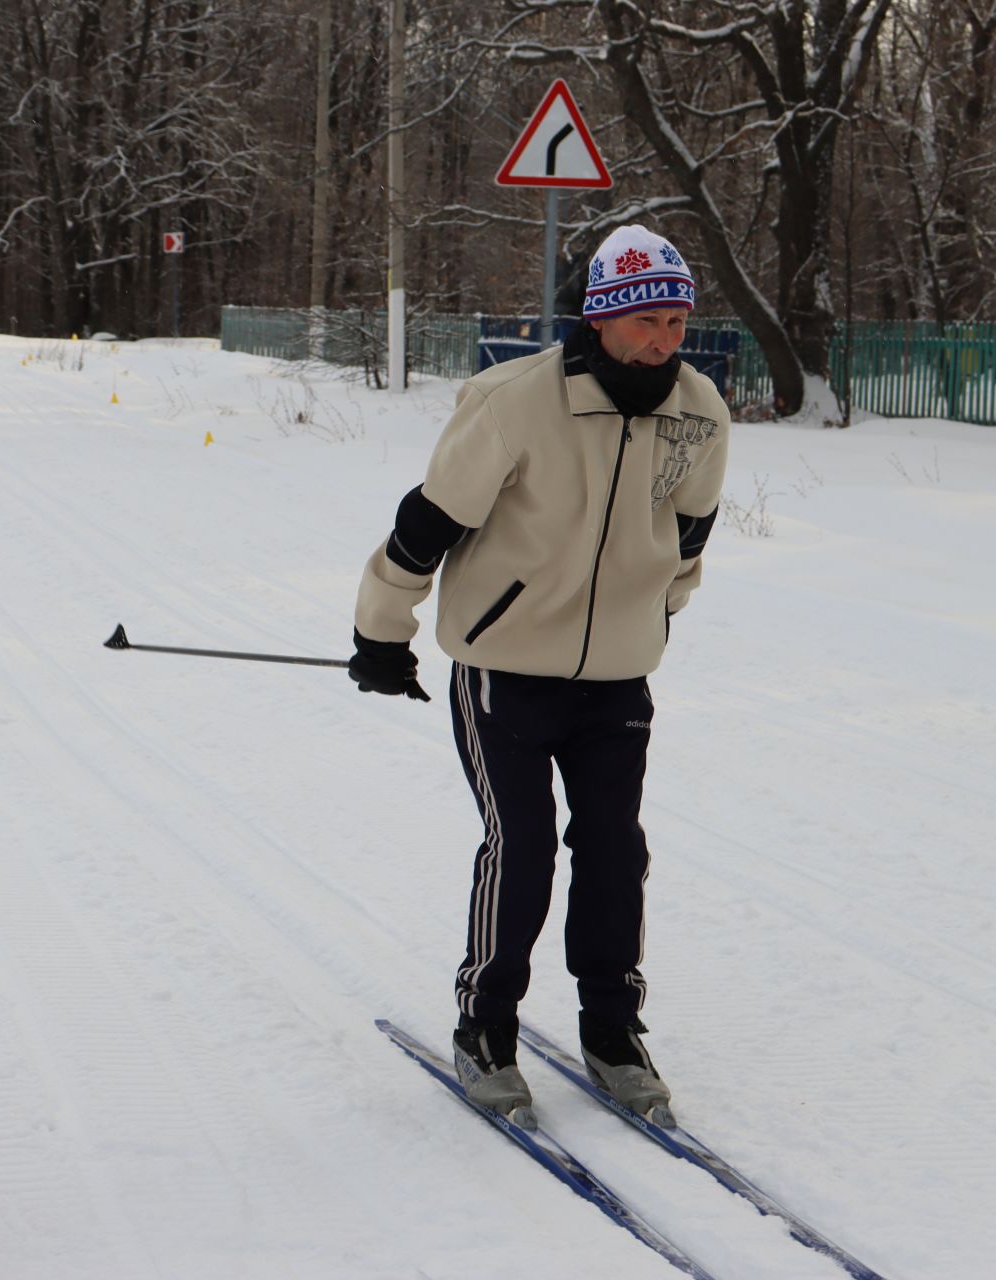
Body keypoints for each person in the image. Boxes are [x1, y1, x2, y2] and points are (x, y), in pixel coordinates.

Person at [348, 225, 729, 1126]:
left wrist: (652, 619)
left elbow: (690, 541)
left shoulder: (700, 411)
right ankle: (486, 1027)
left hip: (616, 681)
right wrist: (381, 631)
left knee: (613, 850)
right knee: (520, 850)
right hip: (504, 668)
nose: (663, 340)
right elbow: (427, 522)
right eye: (645, 320)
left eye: (676, 320)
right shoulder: (515, 402)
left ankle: (611, 1029)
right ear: (600, 318)